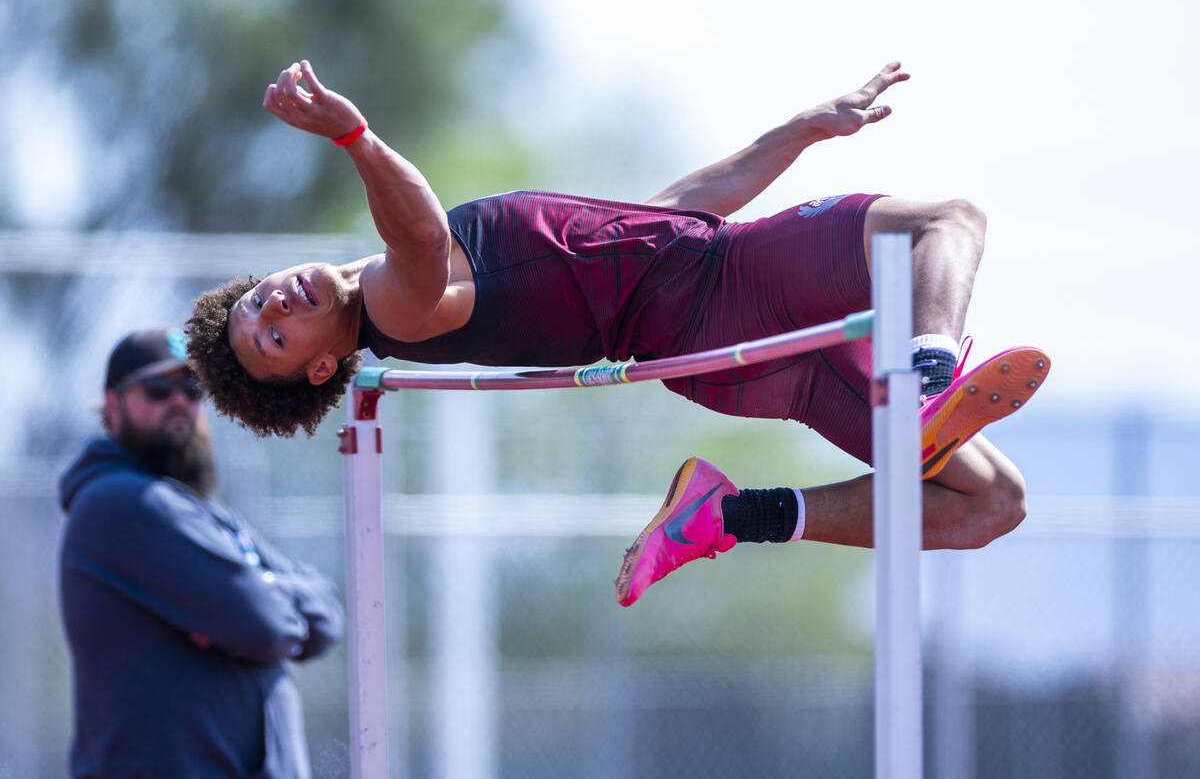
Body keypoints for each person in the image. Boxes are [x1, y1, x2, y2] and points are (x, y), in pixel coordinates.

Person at [186, 59, 1049, 608]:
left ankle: (731, 515)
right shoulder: (395, 307)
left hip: (713, 343)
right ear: (321, 368)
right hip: (729, 293)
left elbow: (668, 213)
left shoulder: (402, 292)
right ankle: (927, 380)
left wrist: (797, 132)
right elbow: (416, 236)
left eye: (259, 303)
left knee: (989, 504)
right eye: (275, 339)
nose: (277, 309)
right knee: (945, 221)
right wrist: (353, 135)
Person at [58, 328, 345, 778]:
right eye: (158, 389)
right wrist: (258, 602)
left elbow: (327, 612)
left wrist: (256, 595)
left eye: (192, 389)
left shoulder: (199, 512)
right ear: (113, 405)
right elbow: (263, 622)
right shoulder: (122, 502)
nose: (179, 401)